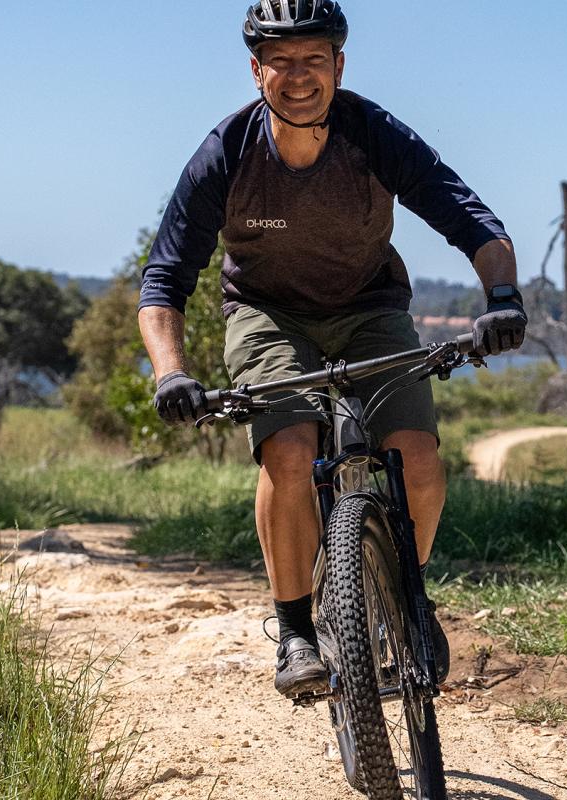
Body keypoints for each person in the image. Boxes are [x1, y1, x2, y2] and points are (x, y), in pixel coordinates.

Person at [137, 0, 527, 699]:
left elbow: (469, 218)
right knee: (289, 451)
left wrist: (501, 300)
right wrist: (171, 372)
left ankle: (407, 597)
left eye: (313, 59)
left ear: (338, 67)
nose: (298, 76)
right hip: (267, 315)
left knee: (418, 457)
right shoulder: (226, 154)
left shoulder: (372, 134)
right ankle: (294, 632)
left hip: (370, 309)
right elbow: (164, 278)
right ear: (256, 71)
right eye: (281, 61)